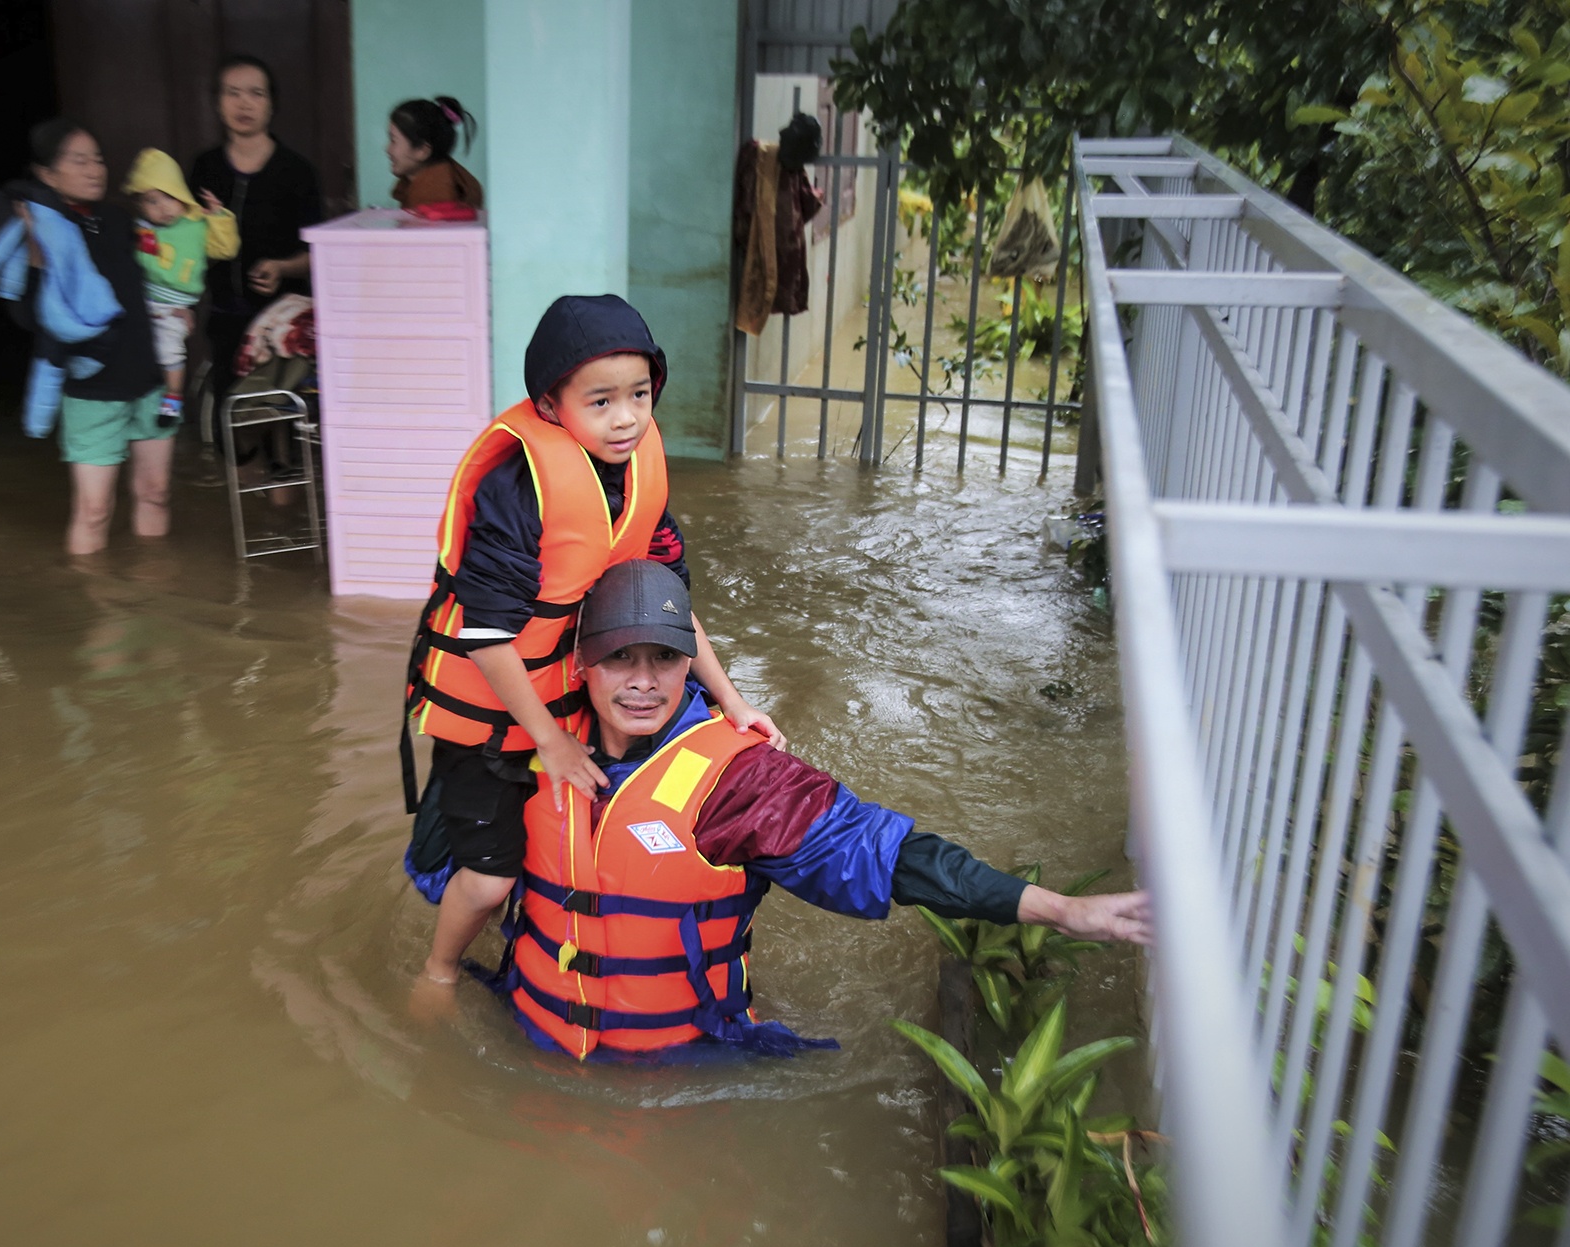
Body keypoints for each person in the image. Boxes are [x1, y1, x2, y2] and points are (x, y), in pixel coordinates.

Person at [411, 560, 1153, 1060]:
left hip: (683, 1064)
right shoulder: (524, 748)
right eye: (618, 659)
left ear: (688, 661)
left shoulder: (741, 780)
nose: (642, 683)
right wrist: (439, 974)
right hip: (530, 1034)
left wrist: (1058, 909)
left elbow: (886, 855)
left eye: (664, 659)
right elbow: (452, 855)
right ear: (581, 661)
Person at [405, 295, 783, 994]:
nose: (628, 417)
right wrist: (548, 740)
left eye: (639, 395)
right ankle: (436, 975)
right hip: (493, 719)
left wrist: (732, 701)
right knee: (490, 880)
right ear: (551, 405)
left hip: (568, 704)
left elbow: (672, 603)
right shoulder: (517, 488)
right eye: (601, 401)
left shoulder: (638, 474)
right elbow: (485, 633)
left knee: (570, 847)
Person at [0, 119, 170, 555]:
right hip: (91, 390)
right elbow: (31, 319)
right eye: (79, 161)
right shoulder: (40, 229)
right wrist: (36, 254)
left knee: (157, 492)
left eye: (98, 159)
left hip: (147, 378)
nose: (95, 170)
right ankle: (98, 615)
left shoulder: (118, 220)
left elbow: (162, 277)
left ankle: (156, 594)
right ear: (47, 174)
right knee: (94, 510)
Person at [190, 55, 325, 395]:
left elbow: (318, 251)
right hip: (223, 318)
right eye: (233, 93)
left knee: (277, 420)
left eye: (256, 93)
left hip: (280, 324)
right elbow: (185, 236)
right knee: (230, 427)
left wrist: (282, 267)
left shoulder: (296, 171)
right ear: (218, 104)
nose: (244, 103)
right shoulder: (205, 168)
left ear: (271, 104)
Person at [121, 148, 239, 423]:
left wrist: (218, 217)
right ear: (139, 204)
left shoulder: (195, 225)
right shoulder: (141, 230)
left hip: (174, 307)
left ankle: (173, 398)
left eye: (170, 198)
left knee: (170, 351)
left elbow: (226, 249)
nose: (163, 208)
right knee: (133, 348)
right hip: (142, 302)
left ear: (182, 195)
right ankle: (133, 400)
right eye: (152, 201)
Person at [386, 96, 483, 212]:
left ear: (422, 151)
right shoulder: (435, 180)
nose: (387, 149)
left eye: (393, 141)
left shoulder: (433, 197)